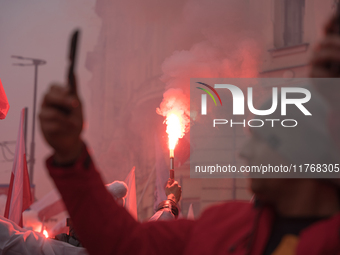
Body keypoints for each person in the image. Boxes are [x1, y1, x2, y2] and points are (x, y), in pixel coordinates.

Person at [39, 22, 340, 255]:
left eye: (264, 140)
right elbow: (124, 244)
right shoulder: (224, 226)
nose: (246, 152)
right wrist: (71, 155)